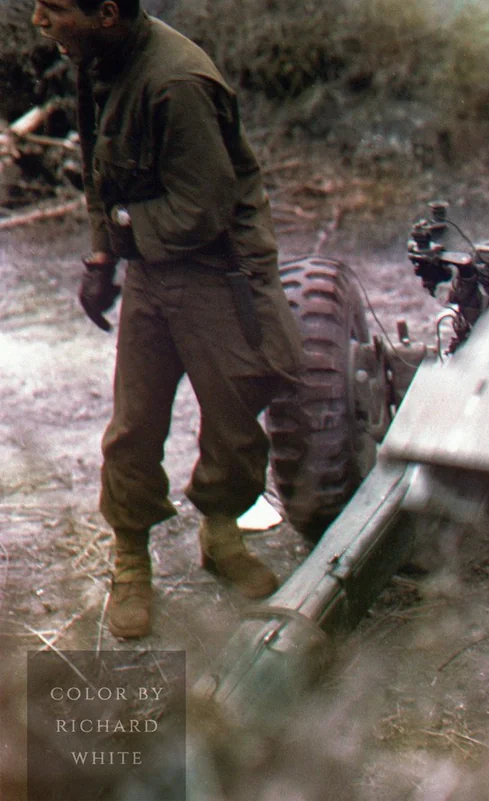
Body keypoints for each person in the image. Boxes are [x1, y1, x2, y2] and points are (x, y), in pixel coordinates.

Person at [31, 0, 304, 639]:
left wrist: (123, 231)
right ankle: (131, 560)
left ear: (104, 12)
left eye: (53, 9)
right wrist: (102, 255)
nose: (40, 22)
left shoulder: (178, 84)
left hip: (219, 270)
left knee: (237, 422)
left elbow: (201, 210)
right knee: (134, 423)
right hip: (155, 267)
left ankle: (220, 532)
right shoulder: (96, 55)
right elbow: (103, 173)